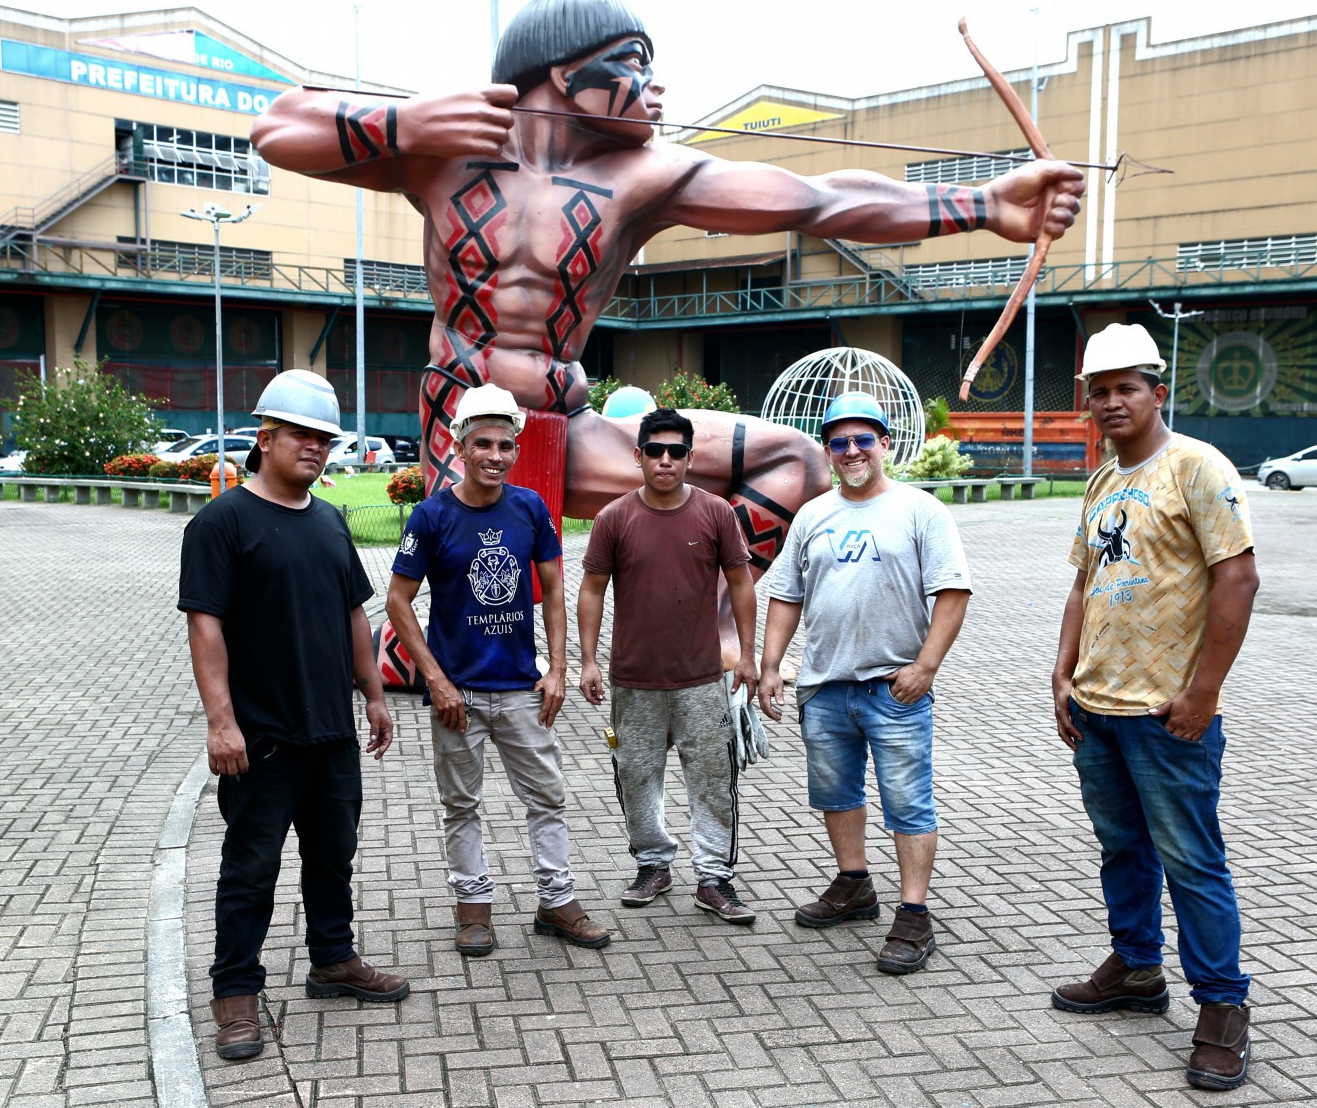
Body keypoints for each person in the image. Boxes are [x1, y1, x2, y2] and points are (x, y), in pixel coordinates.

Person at [252, 0, 1082, 620]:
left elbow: (819, 200)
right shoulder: (445, 149)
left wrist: (983, 204)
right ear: (565, 74)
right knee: (461, 620)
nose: (653, 88)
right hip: (459, 422)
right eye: (632, 63)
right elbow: (279, 125)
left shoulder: (644, 178)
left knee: (792, 461)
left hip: (558, 419)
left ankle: (714, 634)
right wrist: (405, 121)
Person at [1048, 322, 1261, 1092]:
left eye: (1125, 388)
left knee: (1192, 863)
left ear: (1156, 390)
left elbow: (1238, 579)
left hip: (1168, 716)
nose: (1110, 403)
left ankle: (1223, 1008)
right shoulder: (1105, 479)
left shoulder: (1195, 468)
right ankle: (1137, 971)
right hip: (1098, 711)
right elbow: (1082, 584)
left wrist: (1203, 692)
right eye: (1098, 392)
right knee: (1123, 851)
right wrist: (1062, 673)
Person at [178, 369, 408, 1063]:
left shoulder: (329, 521)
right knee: (249, 869)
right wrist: (221, 723)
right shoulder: (223, 523)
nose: (315, 449)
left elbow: (351, 614)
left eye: (324, 439)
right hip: (262, 738)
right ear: (265, 438)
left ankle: (332, 960)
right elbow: (205, 627)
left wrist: (372, 694)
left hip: (331, 730)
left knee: (332, 854)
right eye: (302, 436)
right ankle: (235, 994)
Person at [386, 385, 611, 953]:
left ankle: (558, 903)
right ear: (459, 446)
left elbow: (555, 590)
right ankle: (473, 908)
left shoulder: (530, 507)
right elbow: (397, 601)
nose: (495, 455)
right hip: (456, 692)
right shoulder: (431, 516)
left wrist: (557, 669)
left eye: (505, 445)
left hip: (519, 688)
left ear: (516, 449)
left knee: (547, 798)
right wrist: (435, 680)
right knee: (461, 805)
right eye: (482, 443)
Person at [756, 392, 971, 973]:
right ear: (828, 451)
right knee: (835, 794)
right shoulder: (813, 514)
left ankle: (914, 914)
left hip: (892, 687)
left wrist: (925, 667)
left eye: (863, 440)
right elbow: (786, 595)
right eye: (839, 442)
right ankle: (854, 884)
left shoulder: (920, 510)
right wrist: (771, 666)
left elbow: (953, 591)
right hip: (825, 687)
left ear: (885, 444)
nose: (852, 451)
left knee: (908, 802)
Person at [577, 408, 759, 923]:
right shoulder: (614, 518)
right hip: (633, 680)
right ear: (637, 456)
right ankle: (653, 864)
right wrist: (588, 662)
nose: (664, 460)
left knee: (712, 778)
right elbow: (591, 590)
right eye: (654, 451)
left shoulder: (716, 512)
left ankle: (714, 877)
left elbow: (741, 583)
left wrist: (747, 656)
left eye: (675, 451)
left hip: (701, 679)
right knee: (636, 776)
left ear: (689, 457)